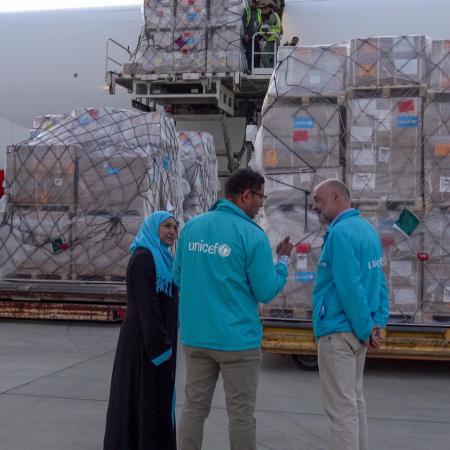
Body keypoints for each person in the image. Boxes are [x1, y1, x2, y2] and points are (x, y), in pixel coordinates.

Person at [173, 168, 293, 450]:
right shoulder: (252, 235)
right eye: (259, 198)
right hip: (237, 341)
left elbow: (178, 277)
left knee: (193, 409)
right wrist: (283, 262)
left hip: (196, 337)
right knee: (240, 416)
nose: (260, 205)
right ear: (245, 195)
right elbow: (266, 290)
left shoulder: (192, 227)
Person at [311, 180, 390, 450]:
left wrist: (366, 327)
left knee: (341, 411)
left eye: (319, 200)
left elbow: (349, 287)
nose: (315, 206)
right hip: (358, 333)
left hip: (340, 333)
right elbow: (379, 281)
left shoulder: (341, 234)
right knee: (355, 402)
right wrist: (377, 323)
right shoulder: (367, 231)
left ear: (336, 197)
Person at [103, 211, 179, 450]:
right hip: (146, 346)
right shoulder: (144, 258)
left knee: (152, 402)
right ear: (152, 227)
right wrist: (160, 350)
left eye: (175, 228)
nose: (172, 232)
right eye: (166, 226)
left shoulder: (164, 259)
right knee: (145, 399)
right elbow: (147, 306)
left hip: (155, 340)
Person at [260, 1, 282, 68]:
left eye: (266, 9)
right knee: (272, 59)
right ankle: (273, 72)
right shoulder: (276, 15)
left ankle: (271, 72)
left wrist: (265, 19)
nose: (264, 10)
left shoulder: (273, 15)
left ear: (271, 8)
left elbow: (271, 22)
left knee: (264, 58)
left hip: (272, 40)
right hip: (274, 39)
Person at [243, 0, 262, 72]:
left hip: (256, 37)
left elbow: (259, 24)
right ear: (252, 3)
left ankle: (256, 69)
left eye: (257, 4)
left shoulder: (259, 11)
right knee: (249, 54)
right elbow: (244, 23)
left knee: (257, 54)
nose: (256, 5)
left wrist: (260, 35)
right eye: (255, 3)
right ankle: (250, 69)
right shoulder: (247, 10)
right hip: (249, 36)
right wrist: (246, 34)